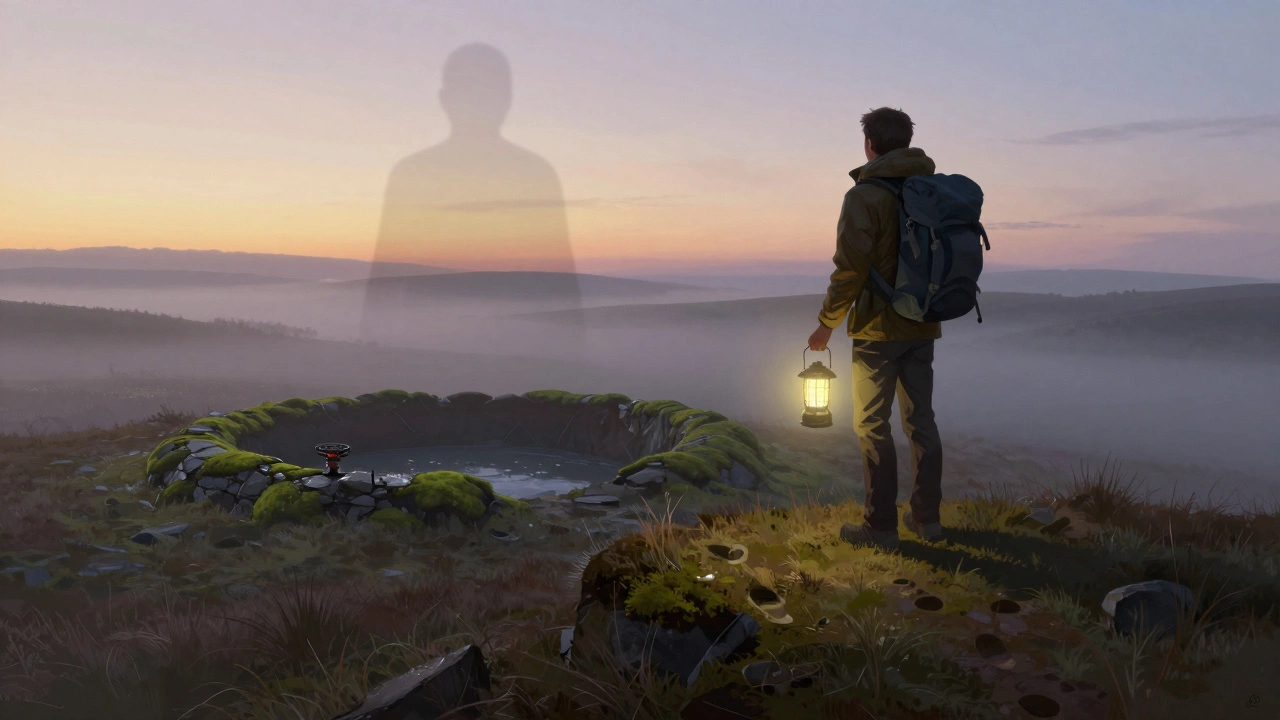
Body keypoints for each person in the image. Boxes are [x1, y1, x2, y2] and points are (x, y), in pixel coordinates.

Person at [807, 107, 944, 550]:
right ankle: (926, 519)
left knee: (872, 425)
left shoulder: (864, 195)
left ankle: (880, 527)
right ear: (907, 142)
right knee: (921, 421)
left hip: (876, 330)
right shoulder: (931, 189)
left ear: (869, 144)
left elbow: (850, 269)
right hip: (923, 323)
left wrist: (826, 324)